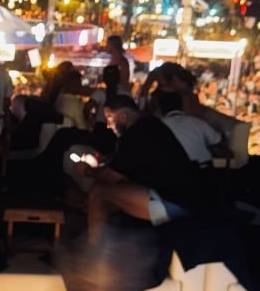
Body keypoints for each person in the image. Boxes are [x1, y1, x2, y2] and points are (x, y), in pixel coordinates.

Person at [85, 94, 207, 244]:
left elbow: (111, 177)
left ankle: (94, 250)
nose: (107, 125)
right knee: (112, 198)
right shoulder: (150, 125)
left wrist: (88, 171)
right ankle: (112, 246)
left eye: (109, 118)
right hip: (186, 197)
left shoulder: (135, 134)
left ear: (123, 117)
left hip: (172, 201)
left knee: (98, 192)